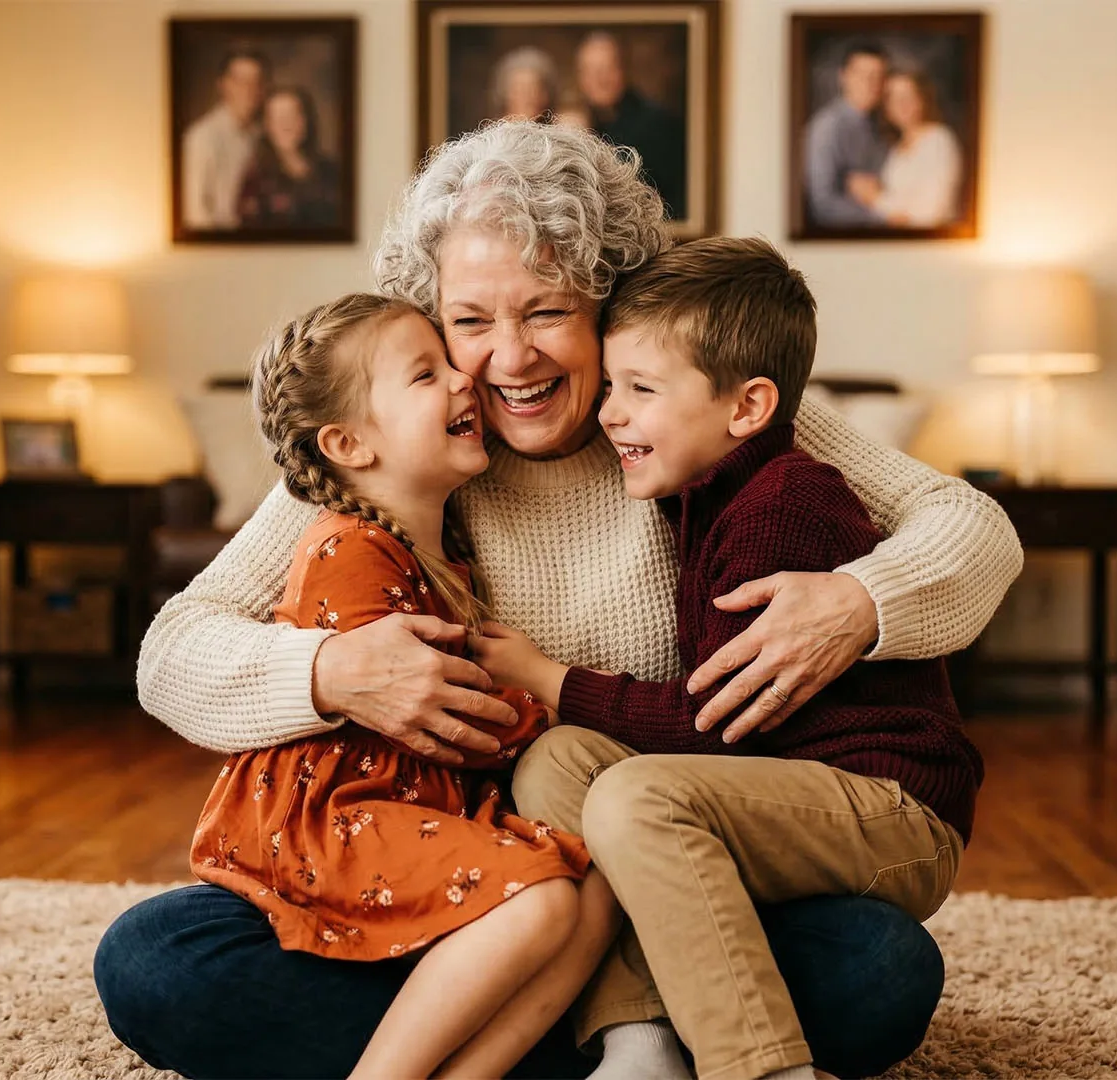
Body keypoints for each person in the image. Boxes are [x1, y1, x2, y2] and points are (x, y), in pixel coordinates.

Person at [95, 121, 1023, 1080]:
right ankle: (589, 1035)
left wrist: (858, 601)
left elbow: (971, 525)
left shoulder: (688, 413)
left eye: (544, 312)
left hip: (671, 863)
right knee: (154, 964)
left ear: (607, 304)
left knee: (879, 971)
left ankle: (555, 1037)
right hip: (461, 879)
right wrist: (333, 670)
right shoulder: (401, 449)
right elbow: (172, 649)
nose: (507, 360)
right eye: (468, 323)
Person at [473, 236, 982, 1080]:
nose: (610, 414)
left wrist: (545, 677)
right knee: (559, 762)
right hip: (774, 795)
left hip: (889, 814)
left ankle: (760, 1067)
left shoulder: (781, 506)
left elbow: (718, 730)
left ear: (746, 409)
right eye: (612, 385)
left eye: (640, 390)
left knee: (639, 794)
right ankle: (639, 1042)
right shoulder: (707, 489)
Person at [194, 292, 619, 1077]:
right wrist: (552, 702)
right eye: (428, 374)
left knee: (594, 892)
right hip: (341, 816)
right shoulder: (348, 548)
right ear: (349, 443)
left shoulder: (437, 552)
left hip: (412, 809)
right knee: (546, 896)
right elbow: (443, 718)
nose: (467, 380)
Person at [574, 32, 688, 220]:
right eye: (591, 71)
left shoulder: (656, 124)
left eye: (607, 69)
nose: (600, 79)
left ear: (624, 70)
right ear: (581, 78)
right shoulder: (581, 123)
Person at [859, 71, 962, 228]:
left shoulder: (939, 140)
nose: (901, 104)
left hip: (932, 245)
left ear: (922, 100)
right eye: (892, 98)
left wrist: (876, 199)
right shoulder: (895, 149)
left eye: (908, 96)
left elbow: (930, 215)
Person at [805, 42, 891, 228]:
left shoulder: (884, 124)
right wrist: (884, 217)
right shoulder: (826, 127)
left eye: (878, 76)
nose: (870, 84)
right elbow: (823, 204)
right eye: (861, 74)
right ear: (843, 76)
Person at [181, 48, 268, 231]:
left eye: (256, 81)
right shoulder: (201, 137)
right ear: (223, 85)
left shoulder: (261, 134)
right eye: (241, 81)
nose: (249, 89)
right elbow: (195, 211)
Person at [236, 87, 343, 230]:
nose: (286, 124)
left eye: (292, 115)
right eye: (278, 118)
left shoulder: (331, 170)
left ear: (306, 120)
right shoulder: (255, 179)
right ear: (267, 126)